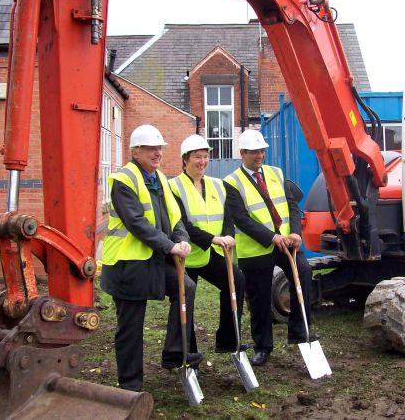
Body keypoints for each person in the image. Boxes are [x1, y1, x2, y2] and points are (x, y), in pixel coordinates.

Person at [100, 124, 203, 392]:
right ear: (135, 151)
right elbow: (136, 223)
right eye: (150, 148)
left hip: (154, 261)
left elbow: (175, 217)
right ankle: (130, 384)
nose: (157, 153)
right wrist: (170, 247)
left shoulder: (161, 181)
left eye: (159, 148)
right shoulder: (124, 181)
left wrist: (182, 239)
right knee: (131, 327)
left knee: (186, 288)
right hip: (127, 265)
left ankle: (174, 352)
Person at [223, 129, 315, 367]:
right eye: (254, 152)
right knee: (260, 299)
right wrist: (271, 237)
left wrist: (295, 231)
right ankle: (263, 346)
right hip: (256, 248)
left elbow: (293, 206)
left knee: (303, 272)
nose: (260, 155)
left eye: (262, 151)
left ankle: (300, 331)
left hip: (287, 242)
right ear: (242, 153)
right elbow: (241, 219)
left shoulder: (276, 173)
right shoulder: (231, 183)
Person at [168, 134, 250, 354]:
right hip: (184, 254)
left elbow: (227, 217)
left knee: (237, 280)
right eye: (197, 157)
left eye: (205, 157)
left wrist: (228, 235)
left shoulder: (217, 185)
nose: (202, 161)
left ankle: (227, 340)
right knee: (186, 301)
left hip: (208, 254)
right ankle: (188, 350)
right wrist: (213, 239)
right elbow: (181, 223)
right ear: (185, 160)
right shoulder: (173, 187)